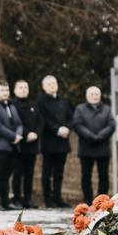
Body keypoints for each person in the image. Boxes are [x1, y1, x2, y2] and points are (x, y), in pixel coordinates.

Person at [73, 86, 115, 202]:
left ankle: (102, 201)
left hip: (103, 148)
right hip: (86, 147)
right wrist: (90, 136)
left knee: (104, 176)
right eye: (92, 94)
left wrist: (100, 136)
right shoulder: (80, 109)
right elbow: (77, 125)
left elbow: (111, 125)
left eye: (96, 94)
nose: (94, 96)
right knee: (86, 176)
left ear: (100, 96)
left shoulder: (107, 109)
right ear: (87, 96)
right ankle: (88, 201)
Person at [0, 82, 23, 211]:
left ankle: (6, 201)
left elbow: (19, 124)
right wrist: (13, 136)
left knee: (7, 175)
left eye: (7, 90)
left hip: (13, 147)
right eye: (2, 90)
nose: (5, 93)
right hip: (0, 146)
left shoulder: (11, 107)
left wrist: (18, 135)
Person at [36, 75, 71, 208]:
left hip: (63, 142)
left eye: (54, 83)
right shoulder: (40, 101)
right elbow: (43, 119)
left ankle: (57, 197)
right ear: (44, 87)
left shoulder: (63, 101)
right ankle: (47, 199)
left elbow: (70, 117)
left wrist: (67, 128)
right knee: (47, 172)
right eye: (49, 84)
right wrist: (57, 129)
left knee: (59, 173)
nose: (52, 85)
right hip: (49, 141)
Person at [11, 80, 42, 209]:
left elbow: (40, 121)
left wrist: (36, 133)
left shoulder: (33, 104)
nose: (23, 89)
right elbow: (15, 122)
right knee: (18, 173)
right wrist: (26, 133)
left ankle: (28, 199)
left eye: (25, 87)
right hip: (19, 144)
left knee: (29, 173)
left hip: (32, 145)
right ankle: (17, 198)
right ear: (15, 90)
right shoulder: (12, 104)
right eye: (21, 87)